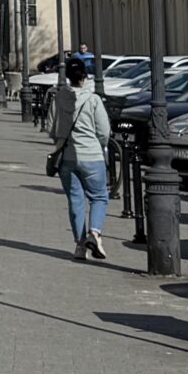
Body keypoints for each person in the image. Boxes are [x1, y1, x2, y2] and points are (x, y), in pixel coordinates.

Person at [49, 57, 112, 260]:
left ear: (67, 76)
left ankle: (79, 245)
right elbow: (104, 131)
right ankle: (95, 233)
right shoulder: (93, 100)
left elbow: (51, 128)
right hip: (92, 156)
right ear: (85, 76)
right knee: (99, 197)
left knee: (75, 201)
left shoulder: (58, 98)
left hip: (67, 157)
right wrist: (100, 144)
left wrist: (61, 140)